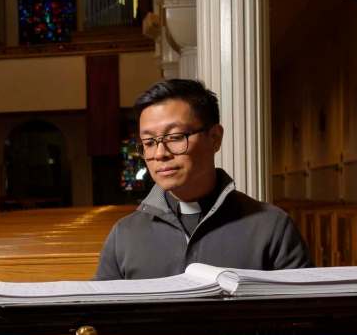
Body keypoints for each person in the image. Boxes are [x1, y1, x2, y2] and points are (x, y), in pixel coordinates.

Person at [94, 79, 310, 280]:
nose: (160, 154)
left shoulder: (271, 227)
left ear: (215, 138)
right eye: (149, 142)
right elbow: (101, 305)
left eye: (175, 137)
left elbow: (303, 306)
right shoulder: (124, 235)